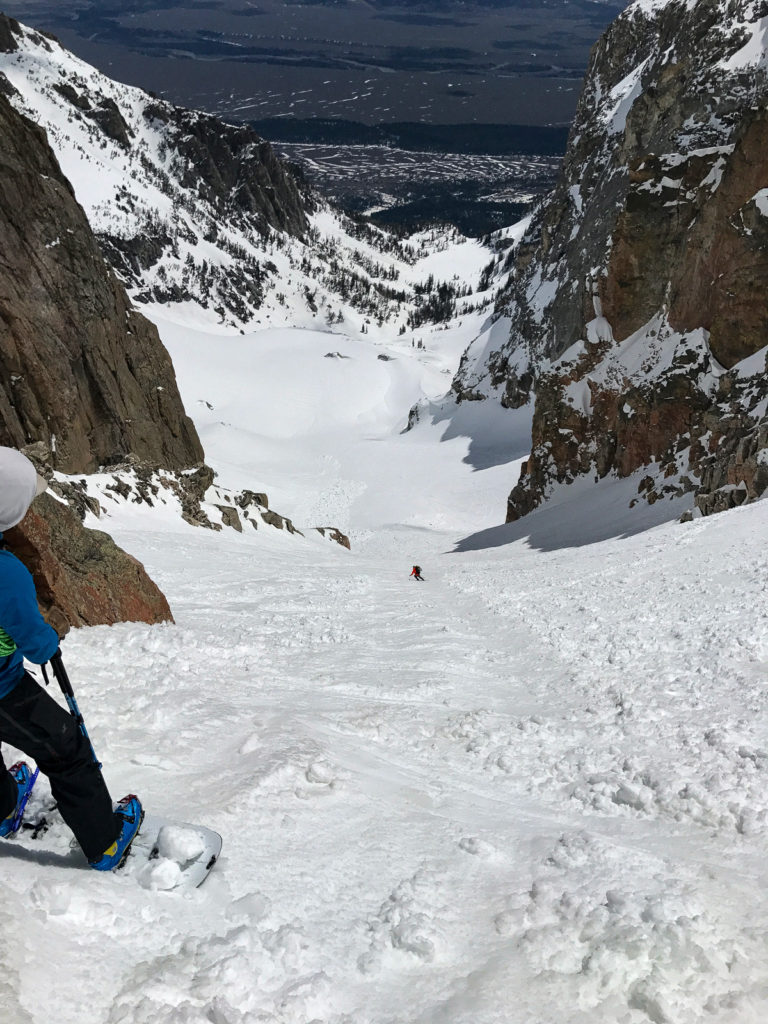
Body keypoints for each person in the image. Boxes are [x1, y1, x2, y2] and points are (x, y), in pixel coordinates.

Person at [0, 446, 142, 870]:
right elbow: (32, 639)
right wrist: (48, 642)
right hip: (3, 690)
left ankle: (4, 806)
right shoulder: (6, 573)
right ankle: (106, 842)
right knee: (66, 749)